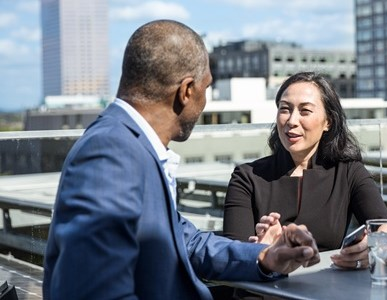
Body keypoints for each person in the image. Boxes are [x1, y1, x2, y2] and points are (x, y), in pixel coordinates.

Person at [42, 20, 320, 300]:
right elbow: (92, 291)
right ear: (186, 91)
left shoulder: (131, 146)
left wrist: (266, 256)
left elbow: (187, 242)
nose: (205, 101)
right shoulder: (111, 152)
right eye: (206, 88)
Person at [223, 71, 387, 270]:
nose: (292, 120)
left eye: (305, 111)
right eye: (285, 109)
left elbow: (384, 225)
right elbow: (231, 257)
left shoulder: (348, 172)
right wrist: (262, 250)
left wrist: (371, 250)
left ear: (328, 121)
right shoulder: (247, 177)